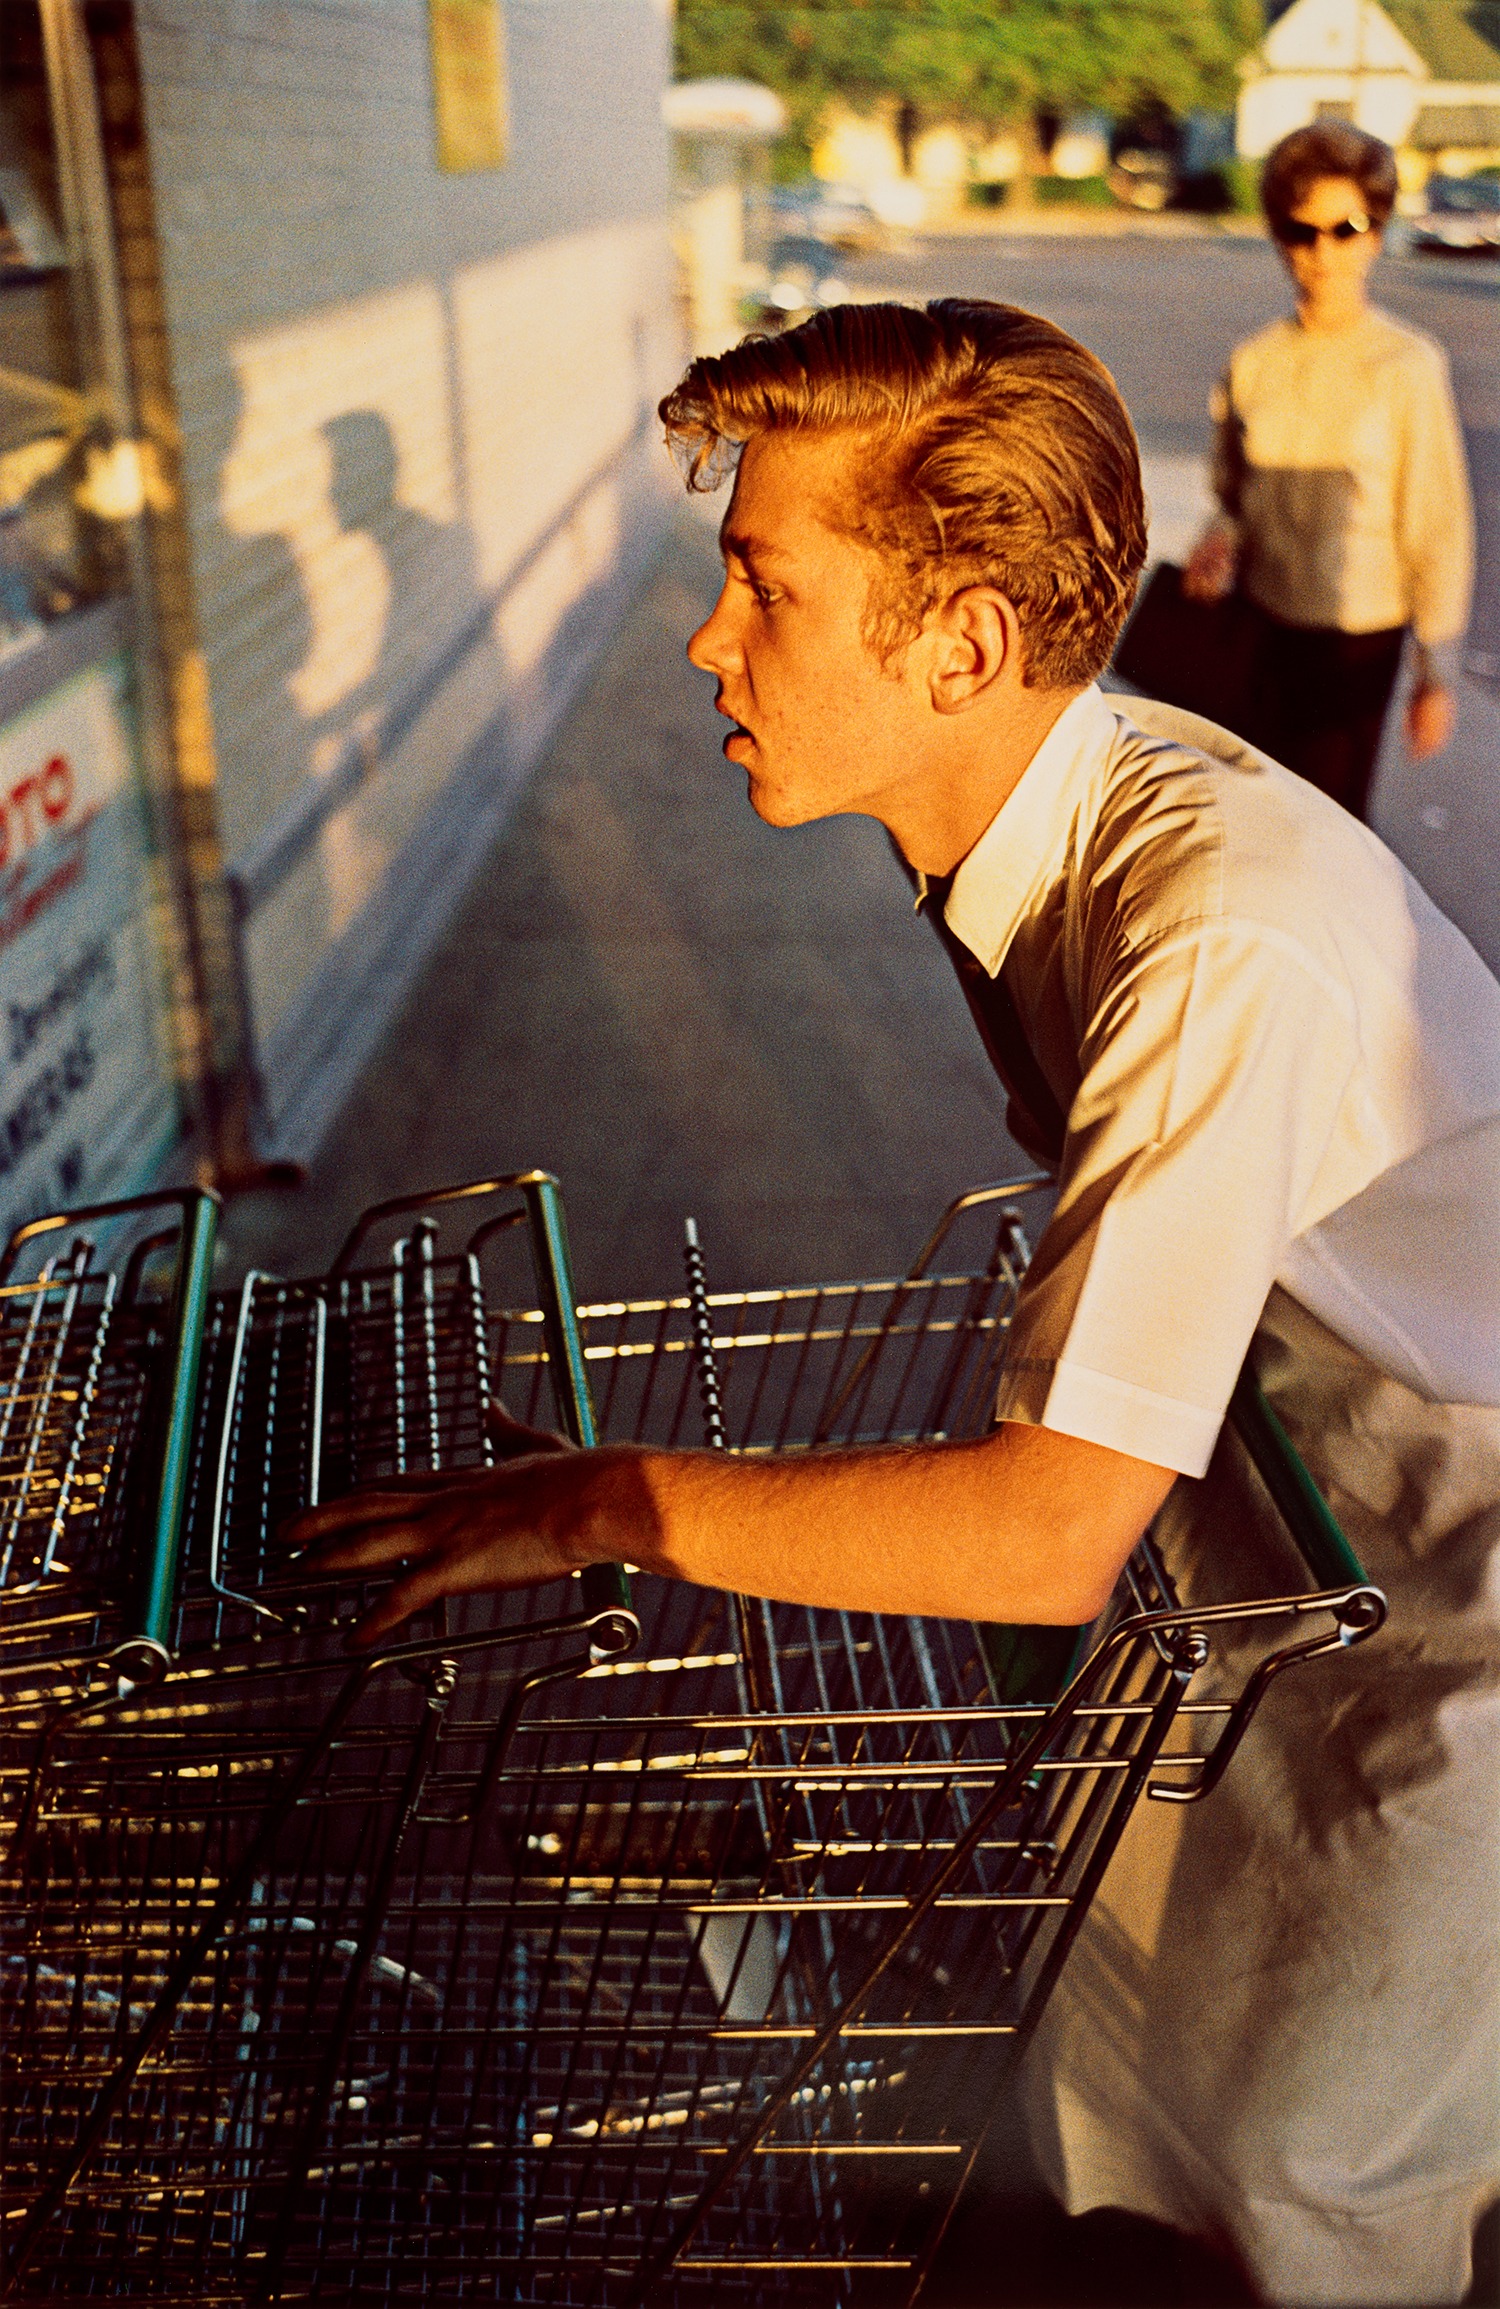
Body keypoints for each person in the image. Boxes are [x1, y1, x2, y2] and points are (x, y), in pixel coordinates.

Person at [292, 300, 1500, 2303]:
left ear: (958, 644)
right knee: (1111, 2065)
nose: (710, 638)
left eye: (765, 584)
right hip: (1308, 1520)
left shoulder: (1217, 935)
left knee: (1312, 2166)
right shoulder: (1029, 831)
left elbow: (1044, 1526)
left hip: (1464, 1603)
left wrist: (614, 1497)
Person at [1183, 121, 1474, 821]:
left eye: (1343, 229)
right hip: (1261, 626)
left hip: (1357, 642)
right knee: (1254, 816)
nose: (1322, 253)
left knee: (1329, 827)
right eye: (1299, 231)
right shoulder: (1255, 360)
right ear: (1279, 238)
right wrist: (1218, 537)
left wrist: (1437, 672)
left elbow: (1436, 521)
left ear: (1375, 233)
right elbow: (1232, 491)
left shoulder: (1409, 366)